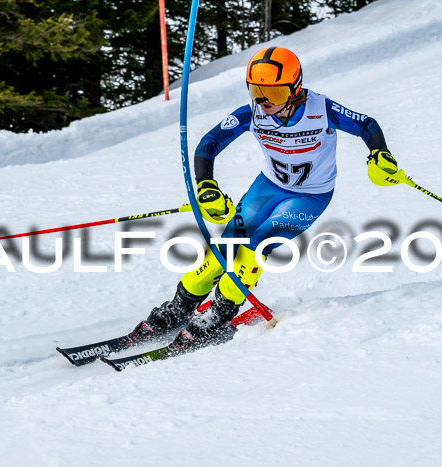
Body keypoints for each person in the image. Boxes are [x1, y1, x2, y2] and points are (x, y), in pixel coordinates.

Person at [128, 46, 400, 353]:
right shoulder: (254, 114)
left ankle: (220, 312)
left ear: (295, 88)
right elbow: (209, 143)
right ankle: (181, 305)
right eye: (257, 92)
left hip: (309, 196)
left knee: (256, 244)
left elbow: (367, 124)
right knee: (228, 242)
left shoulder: (321, 109)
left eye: (275, 93)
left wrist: (380, 153)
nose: (265, 102)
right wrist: (206, 187)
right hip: (268, 186)